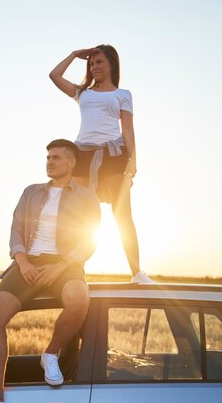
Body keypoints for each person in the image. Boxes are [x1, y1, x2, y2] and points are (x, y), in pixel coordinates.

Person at [0, 139, 100, 403]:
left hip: (65, 264)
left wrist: (61, 266)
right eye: (48, 158)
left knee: (79, 301)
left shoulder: (86, 196)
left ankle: (51, 352)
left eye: (55, 158)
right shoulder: (31, 192)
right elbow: (17, 229)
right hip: (27, 263)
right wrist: (23, 262)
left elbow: (89, 240)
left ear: (71, 162)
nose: (50, 162)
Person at [49, 45, 153, 284]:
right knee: (77, 216)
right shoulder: (82, 93)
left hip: (114, 154)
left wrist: (132, 161)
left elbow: (128, 129)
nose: (94, 67)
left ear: (111, 65)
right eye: (92, 63)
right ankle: (71, 272)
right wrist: (75, 55)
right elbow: (54, 76)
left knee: (122, 213)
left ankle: (137, 272)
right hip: (82, 156)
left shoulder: (123, 94)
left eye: (99, 62)